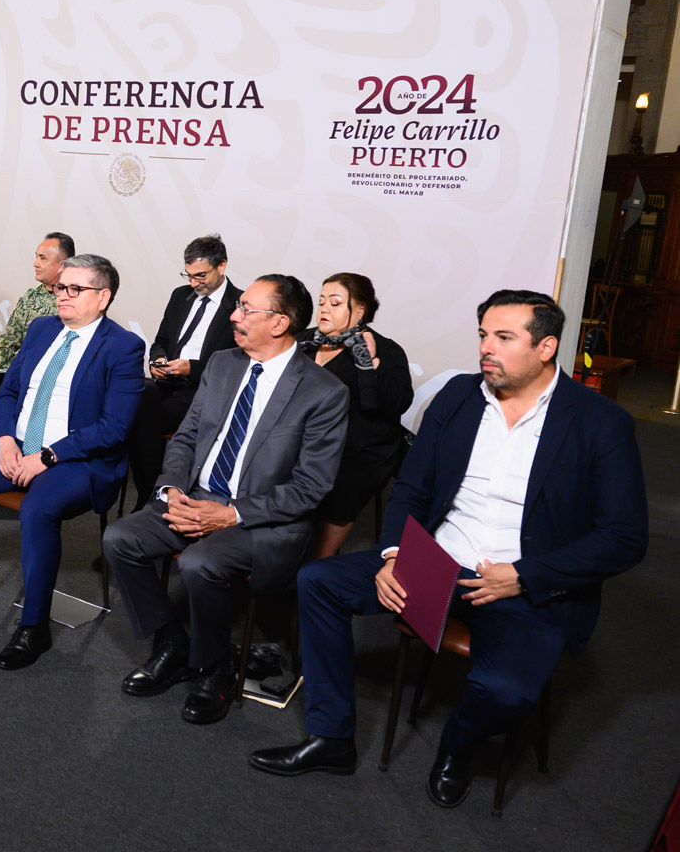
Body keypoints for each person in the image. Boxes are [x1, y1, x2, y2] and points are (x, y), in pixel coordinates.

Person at [249, 291, 648, 809]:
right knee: (318, 582)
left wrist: (524, 576)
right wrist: (393, 555)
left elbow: (624, 537)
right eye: (483, 335)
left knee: (505, 692)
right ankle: (331, 739)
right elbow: (412, 488)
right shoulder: (460, 396)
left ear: (546, 347)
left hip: (525, 582)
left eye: (504, 338)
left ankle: (457, 749)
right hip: (435, 563)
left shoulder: (599, 421)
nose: (486, 348)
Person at [103, 274, 348, 725]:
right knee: (120, 538)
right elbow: (186, 437)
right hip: (195, 496)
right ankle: (172, 642)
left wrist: (231, 514)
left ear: (279, 323)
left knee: (200, 563)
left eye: (246, 309)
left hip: (262, 518)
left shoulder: (324, 392)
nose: (234, 315)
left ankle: (215, 666)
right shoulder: (222, 363)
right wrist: (172, 491)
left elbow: (310, 487)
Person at [0, 254, 144, 670]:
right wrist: (4, 440)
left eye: (75, 289)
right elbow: (10, 391)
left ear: (103, 297)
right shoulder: (41, 329)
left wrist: (48, 456)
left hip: (76, 459)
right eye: (61, 287)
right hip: (16, 446)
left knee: (37, 509)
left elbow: (115, 427)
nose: (62, 295)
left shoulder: (123, 346)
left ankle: (34, 626)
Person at [297, 273, 413, 558]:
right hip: (300, 441)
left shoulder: (385, 349)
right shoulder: (303, 341)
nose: (324, 309)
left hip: (356, 450)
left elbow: (398, 402)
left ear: (360, 310)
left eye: (335, 303)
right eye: (322, 302)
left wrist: (371, 362)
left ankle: (316, 565)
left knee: (342, 481)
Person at [128, 234, 241, 505]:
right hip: (167, 382)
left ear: (222, 266)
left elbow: (238, 361)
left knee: (145, 419)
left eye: (201, 276)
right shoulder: (181, 296)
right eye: (188, 275)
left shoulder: (239, 304)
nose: (193, 283)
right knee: (135, 396)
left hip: (203, 389)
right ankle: (151, 493)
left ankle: (151, 496)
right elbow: (161, 341)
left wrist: (193, 368)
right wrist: (157, 360)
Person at [0, 232, 74, 432]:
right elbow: (11, 337)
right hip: (21, 377)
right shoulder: (31, 296)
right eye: (36, 257)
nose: (35, 263)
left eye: (43, 258)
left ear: (62, 265)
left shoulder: (76, 300)